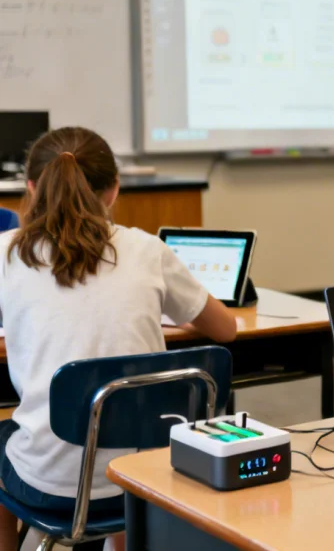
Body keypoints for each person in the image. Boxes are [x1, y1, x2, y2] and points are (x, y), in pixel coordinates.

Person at [0, 128, 237, 551]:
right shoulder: (147, 251)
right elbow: (226, 330)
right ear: (114, 190)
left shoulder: (6, 253)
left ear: (32, 189)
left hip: (48, 489)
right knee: (129, 428)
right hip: (147, 480)